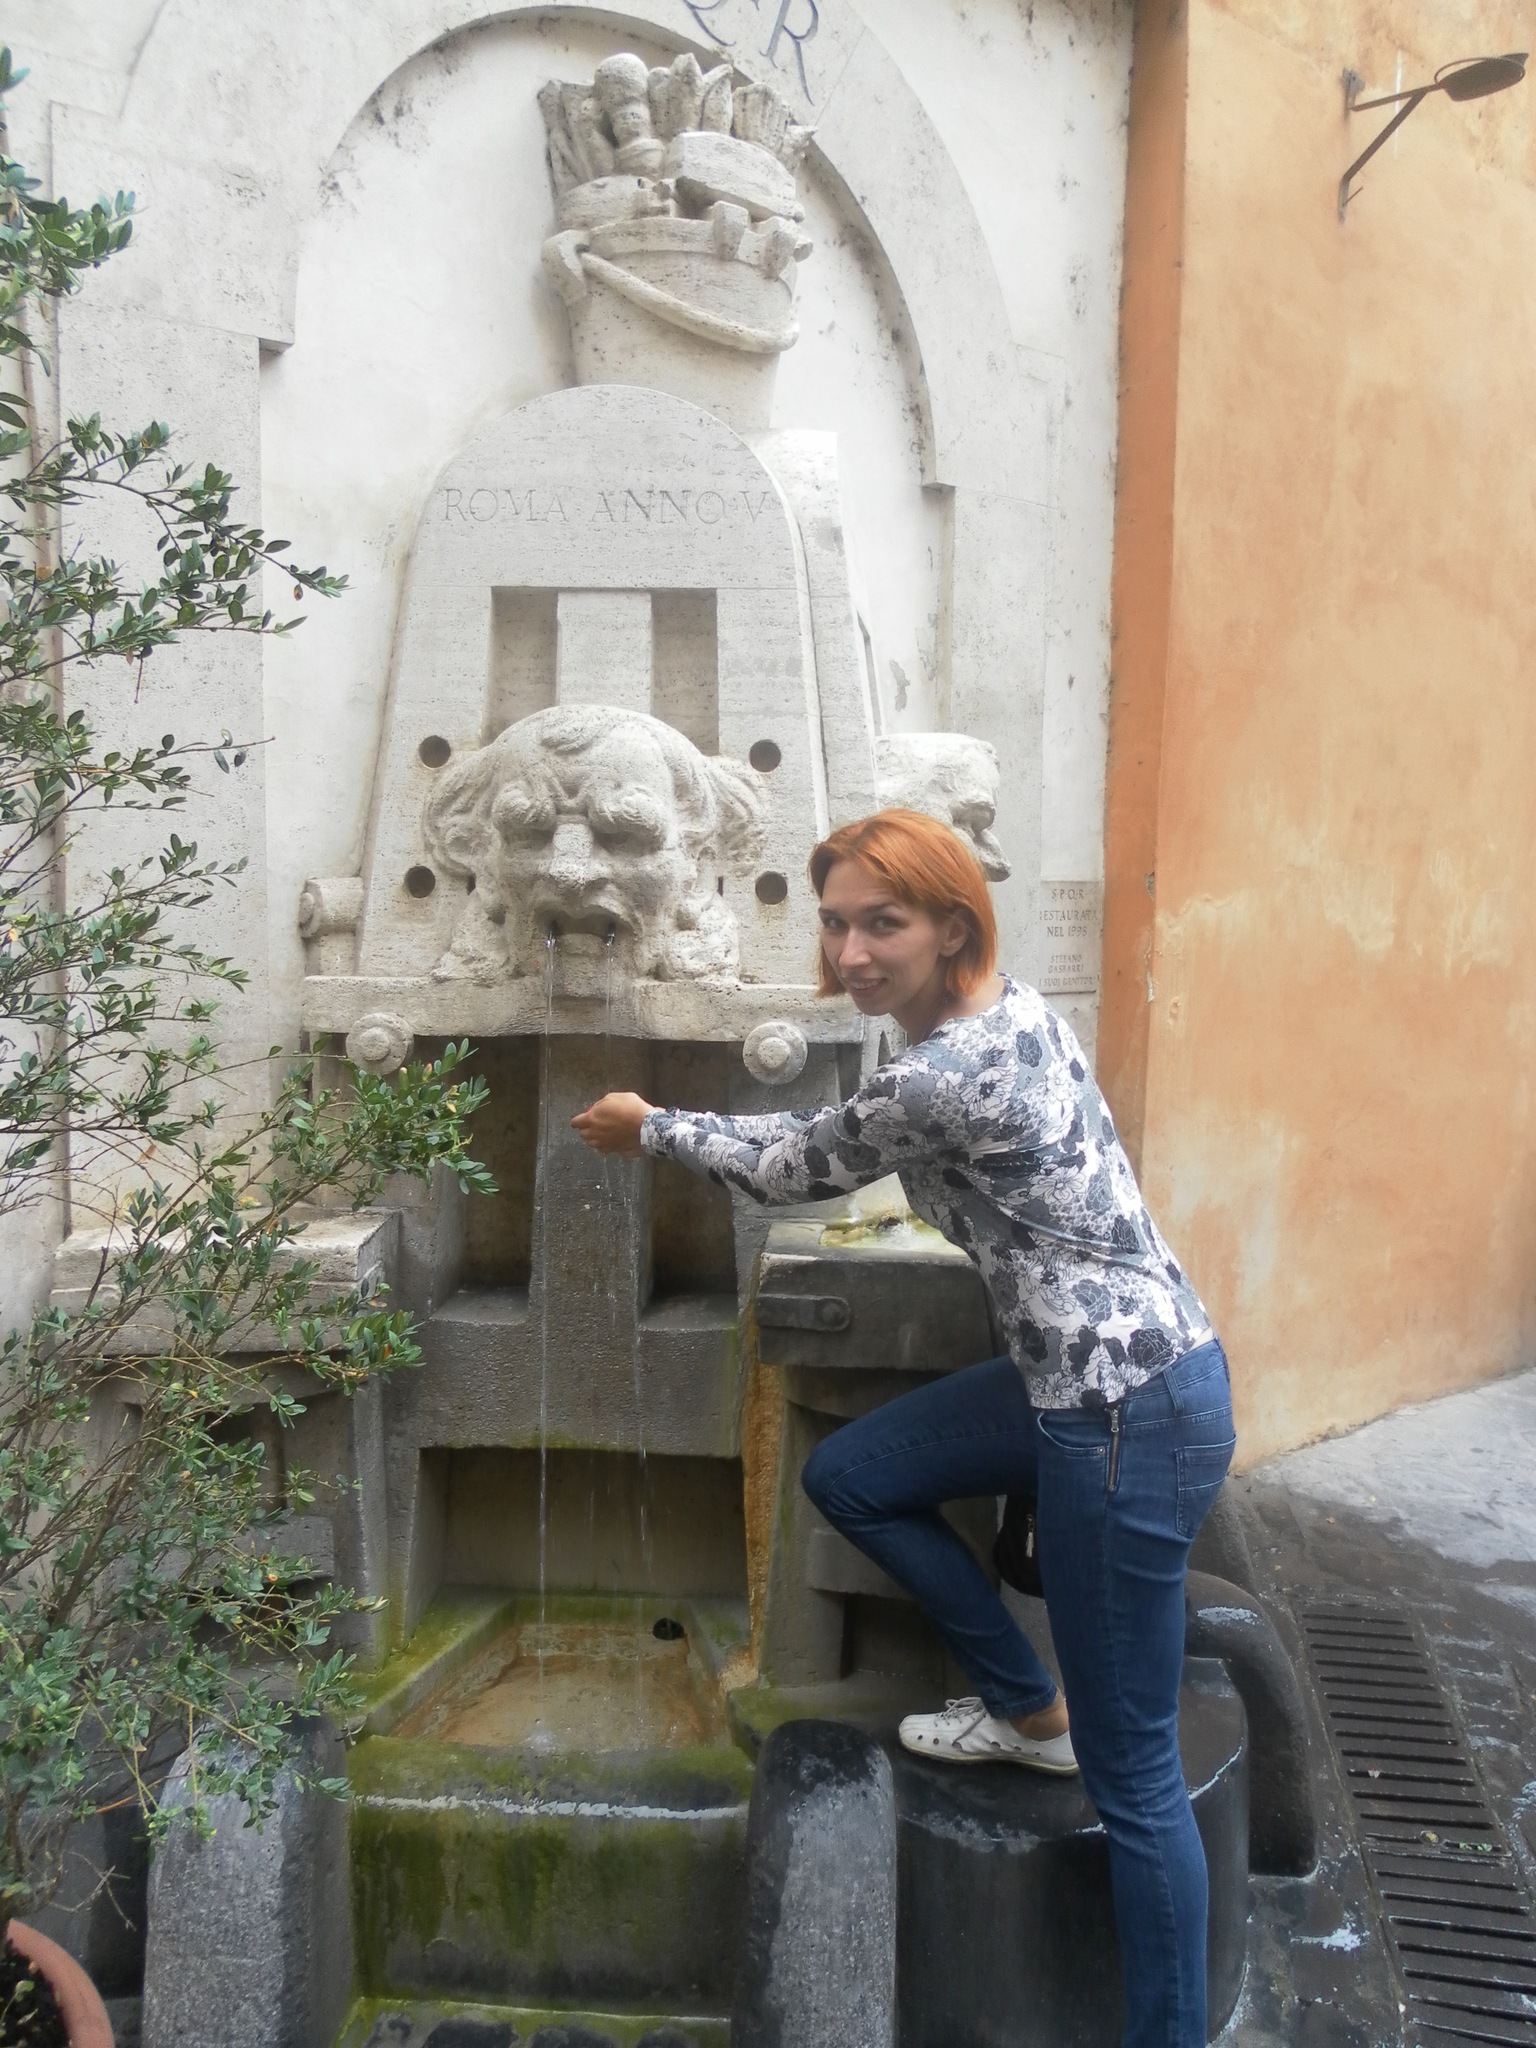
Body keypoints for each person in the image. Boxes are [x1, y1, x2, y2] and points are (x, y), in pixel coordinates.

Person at [573, 807, 1235, 2048]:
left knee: (1138, 1775)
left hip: (1123, 1412)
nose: (852, 951)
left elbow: (795, 1165)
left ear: (954, 925)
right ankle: (1027, 1707)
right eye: (836, 921)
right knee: (856, 1473)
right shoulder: (1001, 1011)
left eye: (884, 922)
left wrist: (649, 1126)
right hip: (1086, 1379)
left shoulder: (945, 1072)